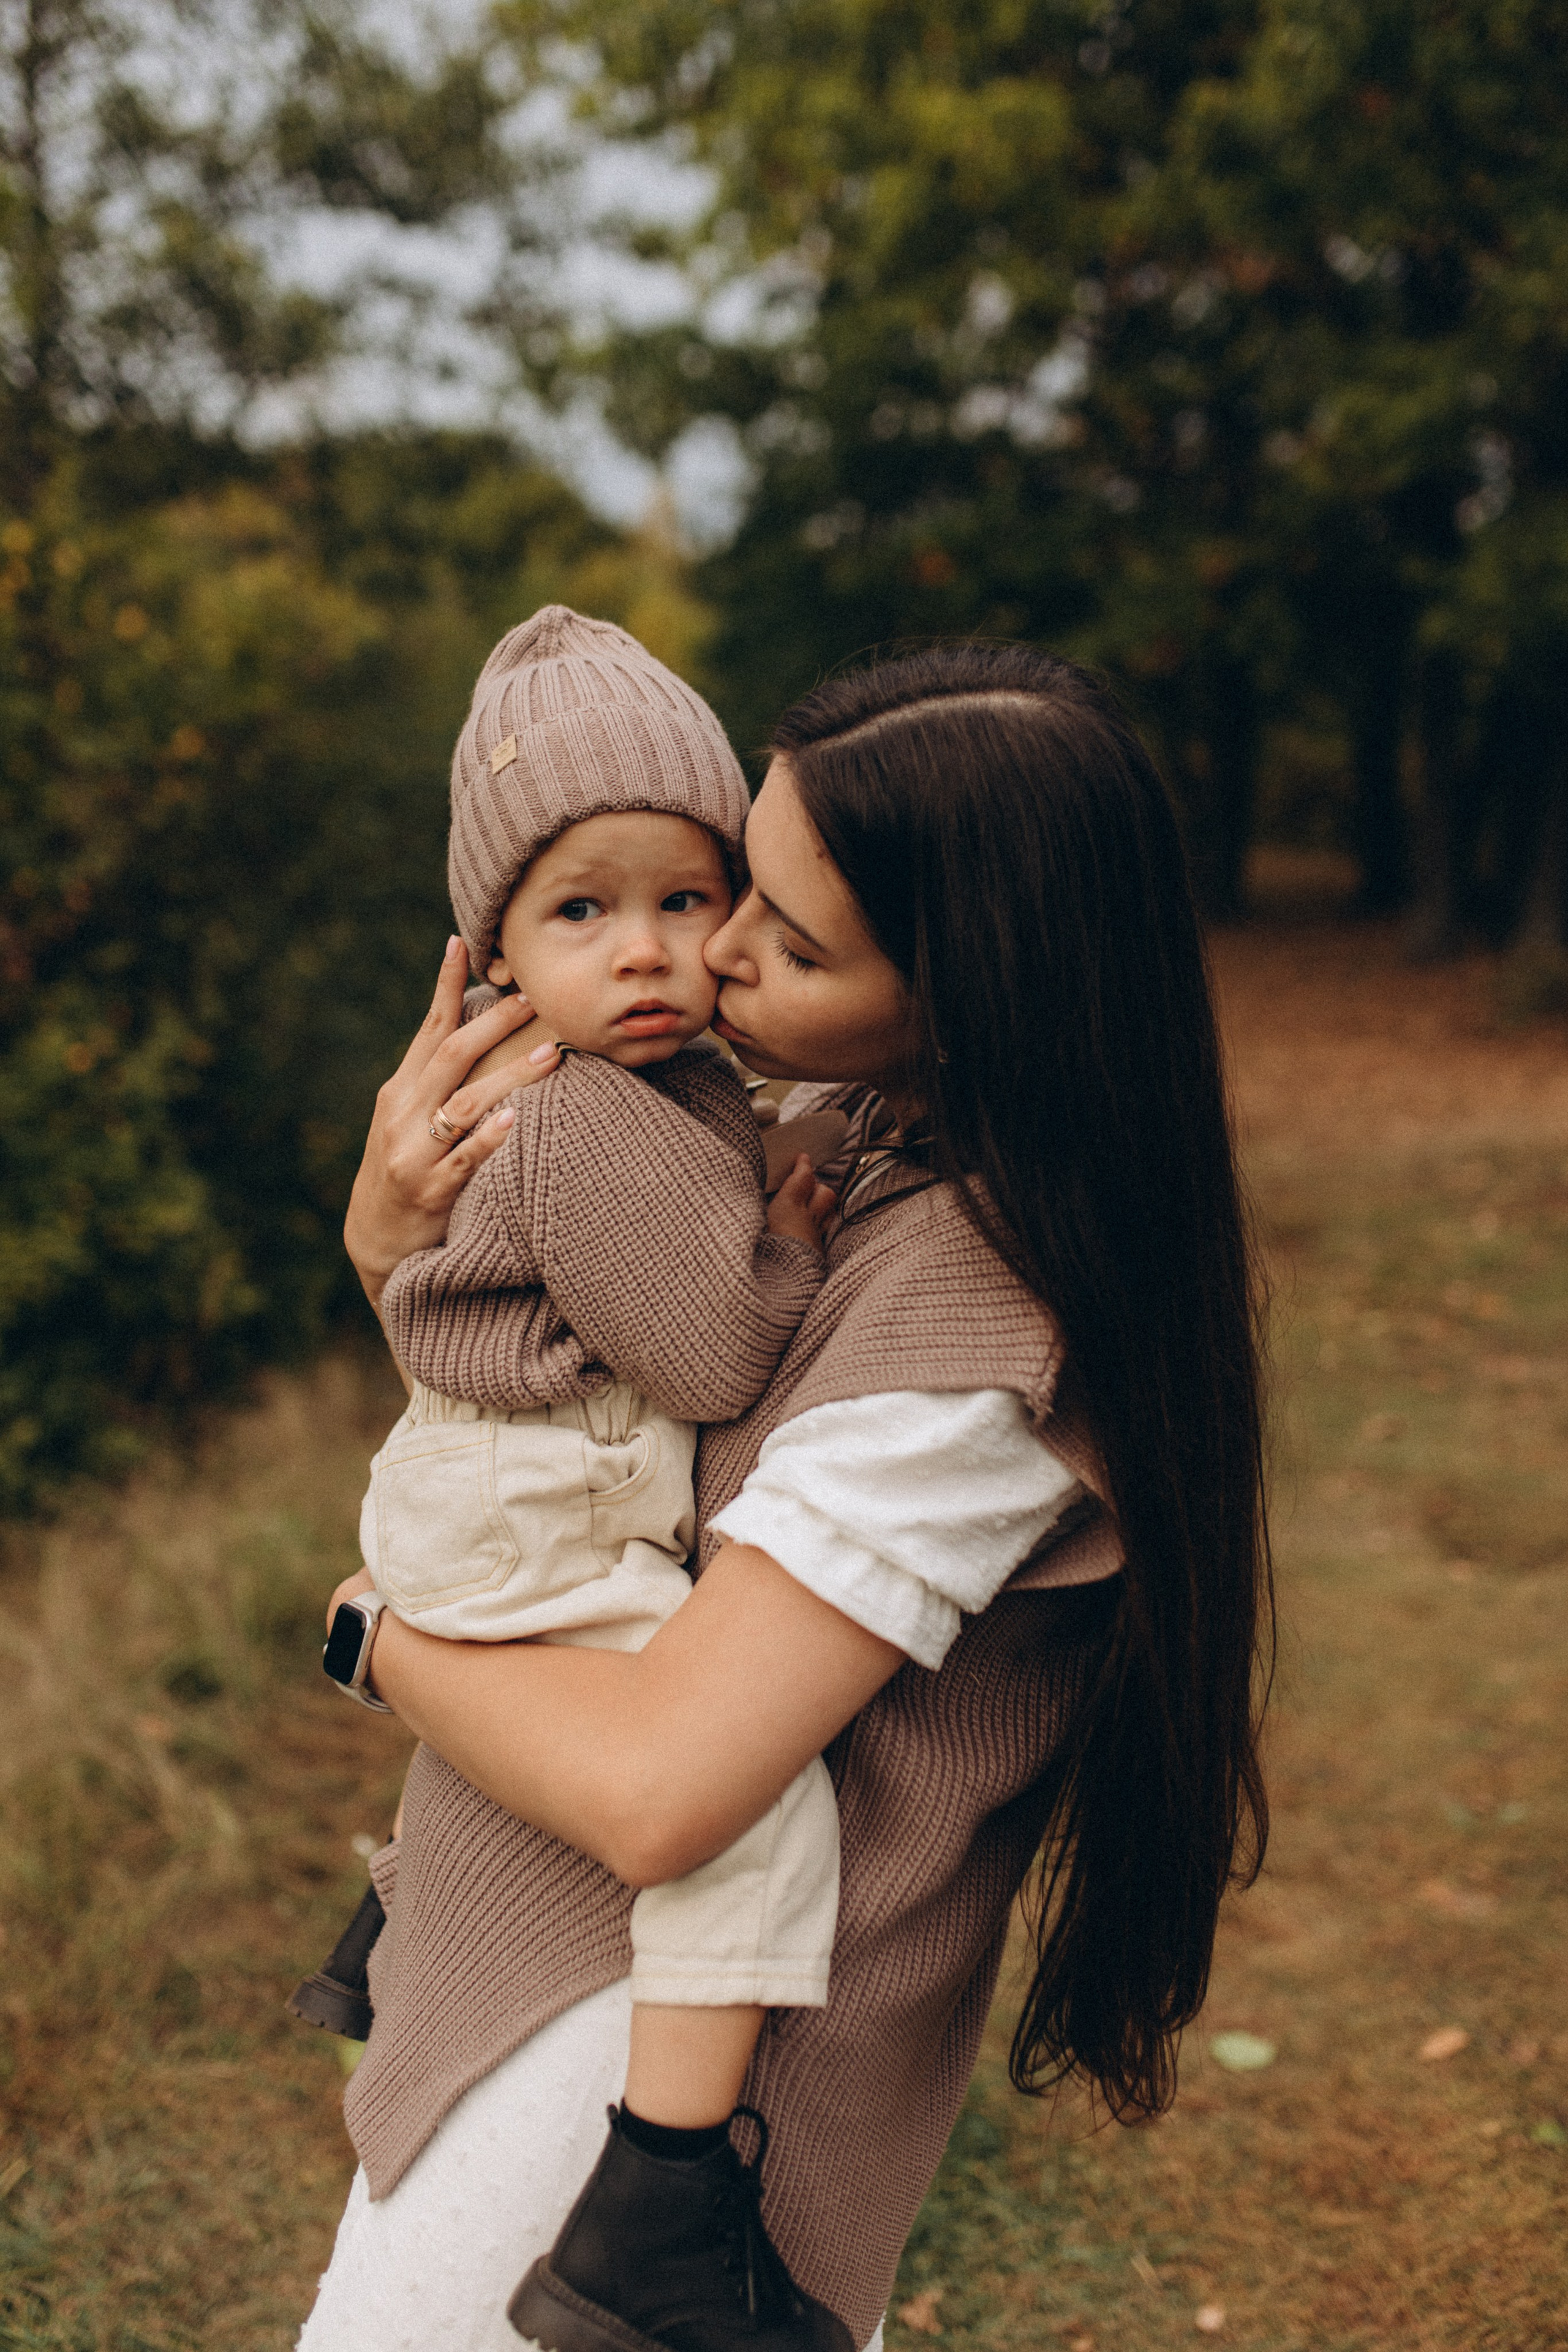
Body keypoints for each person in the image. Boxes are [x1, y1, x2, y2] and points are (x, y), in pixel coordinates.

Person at [297, 643, 1272, 2352]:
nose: (714, 951)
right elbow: (579, 1369)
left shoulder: (977, 1341)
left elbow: (666, 1790)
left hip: (646, 2061)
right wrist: (391, 1242)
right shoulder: (851, 1124)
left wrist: (376, 1639)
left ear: (973, 995)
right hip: (559, 1963)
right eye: (741, 877)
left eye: (788, 939)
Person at [296, 605, 856, 2351]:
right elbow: (710, 1360)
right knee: (750, 1804)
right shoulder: (590, 1112)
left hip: (509, 1481)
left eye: (686, 898)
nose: (647, 953)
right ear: (492, 953)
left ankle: (392, 1929)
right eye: (582, 913)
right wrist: (787, 1247)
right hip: (537, 1504)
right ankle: (659, 2208)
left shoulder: (646, 1082)